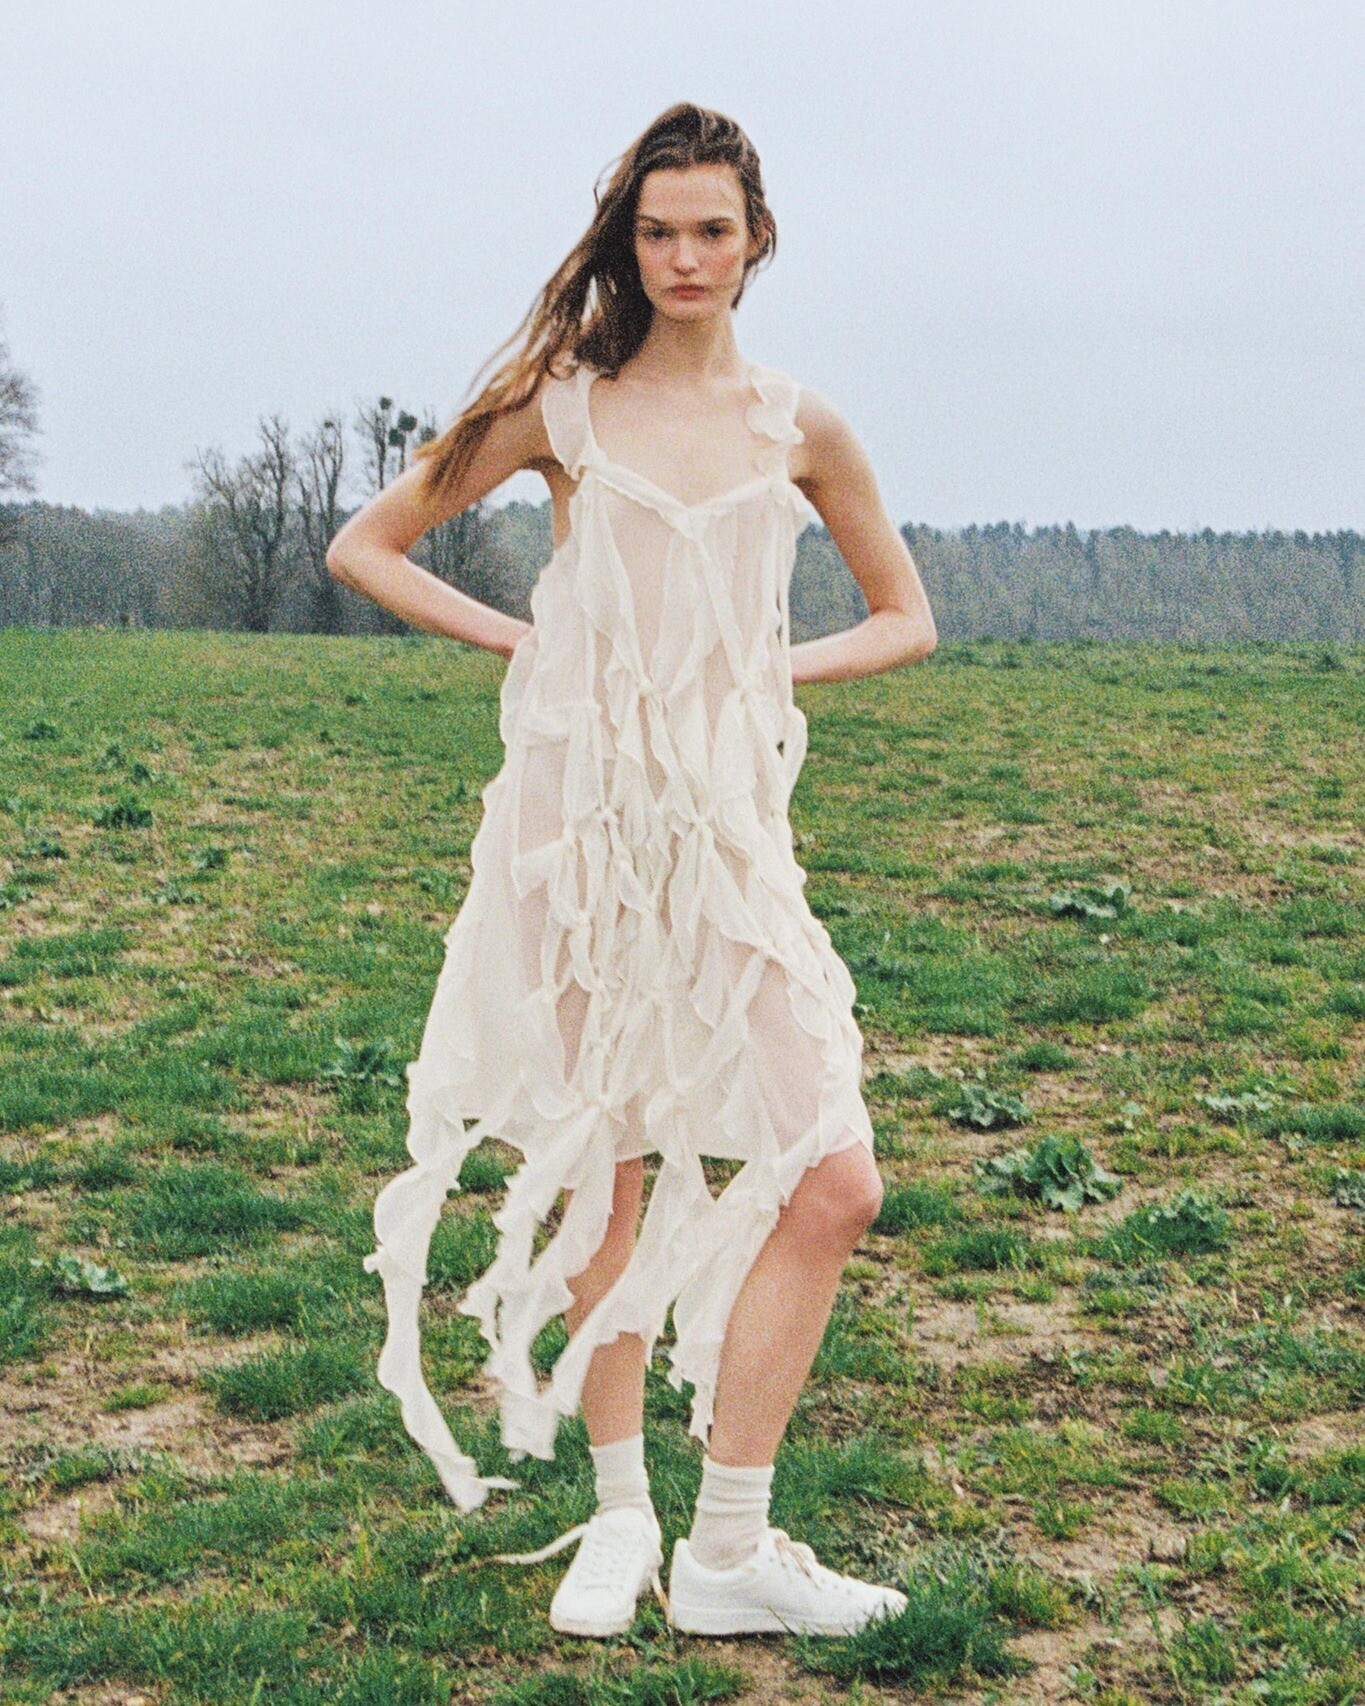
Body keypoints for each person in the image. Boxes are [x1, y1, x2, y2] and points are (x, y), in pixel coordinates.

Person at [327, 101, 937, 1642]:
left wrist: (758, 673)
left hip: (726, 840)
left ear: (756, 240)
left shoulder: (799, 426)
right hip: (584, 839)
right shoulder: (564, 406)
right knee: (610, 1181)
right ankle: (620, 1515)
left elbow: (904, 617)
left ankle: (731, 1542)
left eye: (711, 230)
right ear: (628, 240)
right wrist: (533, 644)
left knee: (833, 1177)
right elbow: (368, 545)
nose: (683, 257)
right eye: (657, 231)